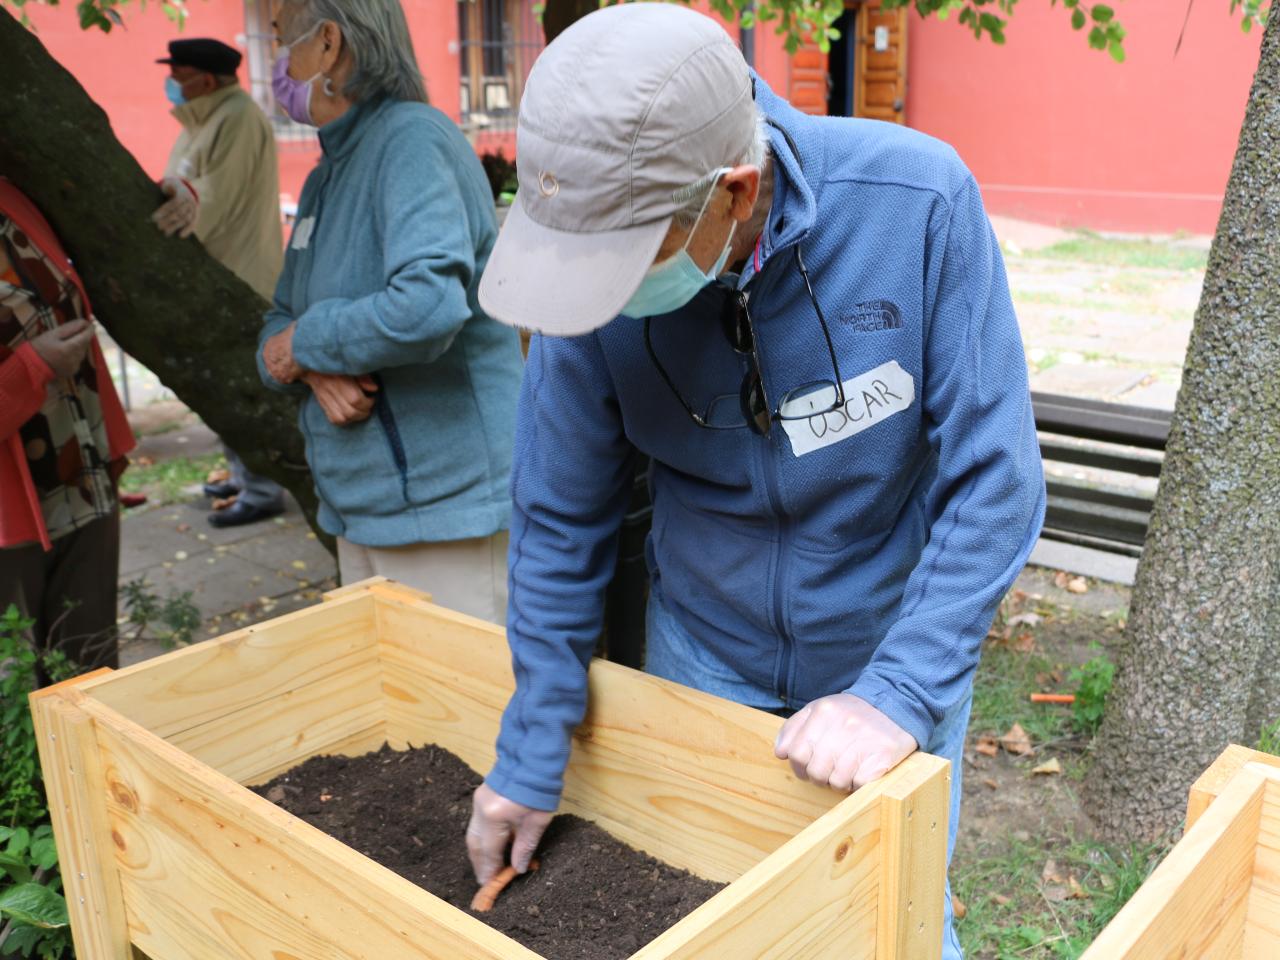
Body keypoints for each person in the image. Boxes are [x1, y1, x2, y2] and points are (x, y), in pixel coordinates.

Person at [465, 5, 1046, 956]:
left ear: (735, 193)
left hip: (886, 641)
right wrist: (531, 752)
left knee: (887, 921)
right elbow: (559, 521)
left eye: (626, 260)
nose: (596, 294)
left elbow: (997, 483)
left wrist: (898, 692)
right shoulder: (584, 273)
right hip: (704, 645)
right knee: (715, 918)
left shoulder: (919, 204)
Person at [257, 0, 523, 624]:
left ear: (328, 45)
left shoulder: (412, 141)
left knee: (467, 715)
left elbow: (426, 307)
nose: (273, 63)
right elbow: (276, 329)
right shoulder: (328, 174)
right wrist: (310, 361)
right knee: (404, 720)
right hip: (362, 511)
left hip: (448, 515)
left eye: (279, 39)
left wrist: (305, 344)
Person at [0, 178, 136, 682]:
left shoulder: (14, 190)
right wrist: (34, 366)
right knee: (19, 690)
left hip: (81, 476)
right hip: (10, 518)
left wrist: (171, 193)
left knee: (92, 668)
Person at [153, 37, 288, 528]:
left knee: (245, 390)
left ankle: (262, 488)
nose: (172, 83)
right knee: (227, 389)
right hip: (218, 273)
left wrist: (179, 198)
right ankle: (241, 476)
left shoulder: (237, 118)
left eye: (179, 73)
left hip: (242, 276)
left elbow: (213, 199)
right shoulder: (204, 119)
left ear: (205, 80)